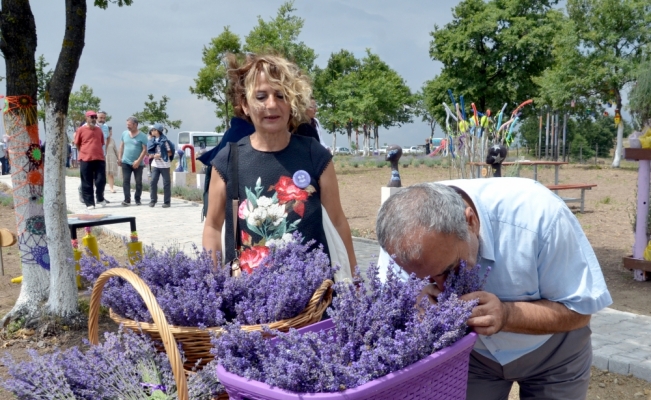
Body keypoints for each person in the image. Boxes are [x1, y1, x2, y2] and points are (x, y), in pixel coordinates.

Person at [375, 178, 612, 400]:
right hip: (470, 358)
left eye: (450, 269)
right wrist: (413, 303)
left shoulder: (540, 217)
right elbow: (389, 311)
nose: (444, 287)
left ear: (471, 222)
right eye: (424, 278)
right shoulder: (399, 237)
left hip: (553, 354)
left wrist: (507, 314)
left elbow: (580, 309)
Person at [202, 53, 357, 275]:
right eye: (261, 96)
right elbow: (213, 227)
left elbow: (338, 222)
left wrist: (356, 281)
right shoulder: (228, 159)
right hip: (248, 299)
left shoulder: (315, 155)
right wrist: (212, 284)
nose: (272, 104)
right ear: (245, 105)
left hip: (312, 298)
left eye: (281, 95)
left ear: (292, 102)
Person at [74, 110, 107, 209]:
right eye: (91, 117)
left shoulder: (99, 130)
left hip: (99, 158)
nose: (93, 119)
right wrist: (83, 152)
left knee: (101, 180)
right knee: (87, 181)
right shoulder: (81, 130)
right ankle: (89, 203)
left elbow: (101, 143)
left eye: (95, 117)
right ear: (86, 118)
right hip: (86, 159)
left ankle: (100, 198)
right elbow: (77, 143)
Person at [118, 116, 147, 206]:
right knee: (126, 180)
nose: (127, 126)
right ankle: (127, 199)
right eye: (127, 125)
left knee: (138, 181)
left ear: (135, 125)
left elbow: (144, 150)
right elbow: (121, 146)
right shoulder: (124, 134)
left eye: (129, 125)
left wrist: (138, 161)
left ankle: (137, 198)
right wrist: (120, 158)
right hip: (126, 161)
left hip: (138, 163)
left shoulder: (142, 136)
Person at [147, 123, 172, 208]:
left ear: (158, 131)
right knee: (153, 181)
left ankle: (167, 202)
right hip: (156, 165)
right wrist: (153, 155)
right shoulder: (152, 141)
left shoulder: (164, 141)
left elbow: (170, 152)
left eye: (154, 130)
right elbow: (150, 152)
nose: (152, 131)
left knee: (166, 183)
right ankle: (153, 200)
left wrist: (160, 155)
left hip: (164, 165)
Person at [105, 126, 119, 193]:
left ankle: (111, 188)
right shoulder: (101, 139)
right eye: (109, 132)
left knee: (111, 174)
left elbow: (116, 150)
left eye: (111, 131)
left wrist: (119, 158)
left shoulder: (112, 140)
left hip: (112, 158)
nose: (111, 133)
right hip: (104, 158)